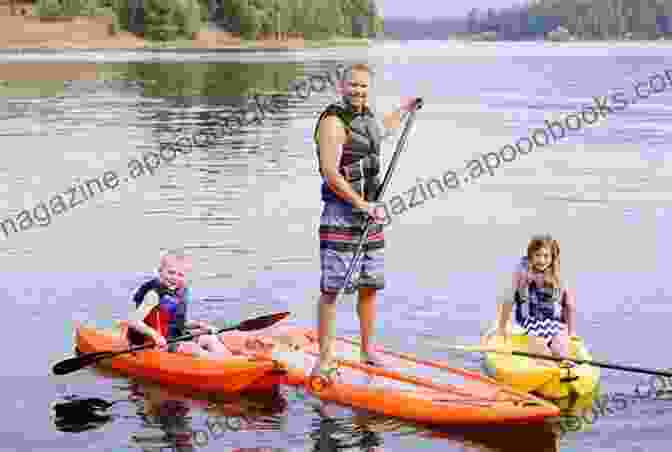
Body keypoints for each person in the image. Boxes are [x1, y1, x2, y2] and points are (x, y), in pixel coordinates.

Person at [311, 62, 420, 379]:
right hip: (342, 215)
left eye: (363, 86)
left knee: (370, 285)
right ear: (341, 87)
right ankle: (325, 357)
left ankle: (367, 351)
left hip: (370, 216)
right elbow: (331, 174)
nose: (358, 91)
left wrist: (404, 110)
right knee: (332, 288)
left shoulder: (367, 117)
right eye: (353, 85)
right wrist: (361, 204)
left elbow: (380, 130)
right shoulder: (332, 122)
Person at [124, 250, 235, 358]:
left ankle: (232, 361)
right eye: (171, 272)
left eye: (180, 275)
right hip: (152, 342)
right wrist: (155, 336)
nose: (175, 278)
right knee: (192, 348)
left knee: (209, 338)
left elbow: (175, 323)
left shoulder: (178, 292)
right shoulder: (154, 295)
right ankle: (220, 366)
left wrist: (201, 325)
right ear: (160, 271)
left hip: (172, 336)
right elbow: (133, 321)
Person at [496, 234, 578, 366]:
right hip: (530, 324)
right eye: (538, 255)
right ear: (531, 255)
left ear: (552, 258)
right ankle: (549, 366)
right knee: (540, 349)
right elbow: (508, 299)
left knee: (561, 348)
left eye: (546, 256)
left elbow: (569, 304)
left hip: (554, 324)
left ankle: (565, 363)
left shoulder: (557, 275)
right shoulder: (521, 273)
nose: (541, 260)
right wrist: (501, 328)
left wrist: (572, 331)